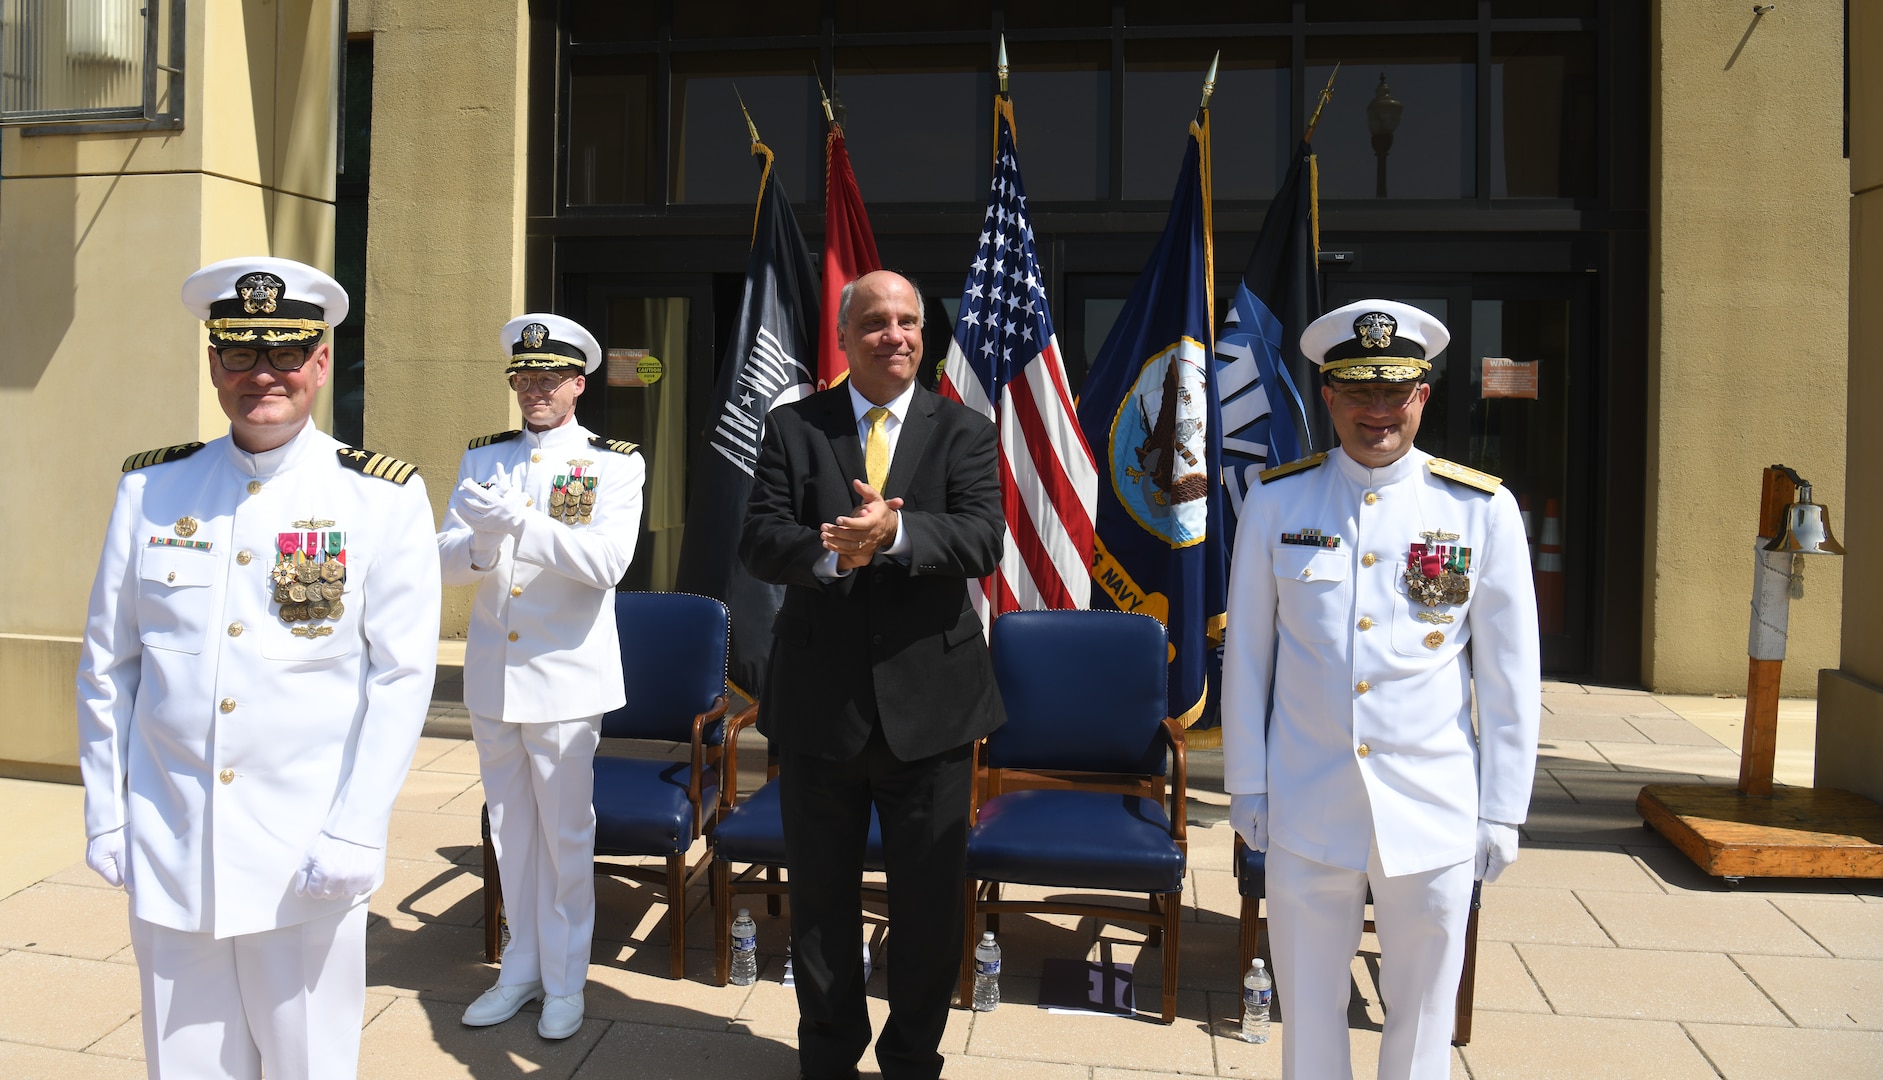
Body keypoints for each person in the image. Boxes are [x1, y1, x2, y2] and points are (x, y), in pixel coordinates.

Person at [77, 257, 441, 1079]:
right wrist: (107, 811)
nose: (261, 376)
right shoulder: (153, 489)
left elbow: (400, 677)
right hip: (174, 842)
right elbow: (110, 665)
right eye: (239, 354)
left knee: (306, 1065)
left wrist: (357, 826)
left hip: (305, 853)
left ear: (319, 363)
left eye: (284, 354)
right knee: (186, 1065)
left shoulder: (379, 497)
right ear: (212, 364)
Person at [1221, 299, 1540, 1080]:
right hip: (1307, 803)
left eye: (1394, 392)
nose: (1377, 412)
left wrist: (1501, 807)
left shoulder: (1479, 510)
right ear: (1327, 397)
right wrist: (1247, 787)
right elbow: (1249, 660)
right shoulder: (1277, 500)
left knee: (1424, 1014)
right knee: (1309, 1006)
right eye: (1357, 392)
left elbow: (1508, 676)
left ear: (1422, 396)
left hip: (1431, 809)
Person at [739, 270, 1004, 1080]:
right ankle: (826, 1056)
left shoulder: (964, 431)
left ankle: (911, 1059)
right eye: (877, 323)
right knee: (820, 902)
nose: (896, 335)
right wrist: (832, 547)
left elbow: (981, 538)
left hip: (932, 711)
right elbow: (758, 537)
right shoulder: (794, 428)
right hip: (821, 708)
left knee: (927, 905)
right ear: (846, 338)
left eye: (909, 322)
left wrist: (891, 536)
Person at [437, 313, 644, 1039]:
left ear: (578, 383)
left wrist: (520, 522)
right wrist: (485, 542)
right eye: (524, 378)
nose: (534, 390)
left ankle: (564, 981)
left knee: (563, 835)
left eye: (549, 379)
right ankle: (519, 971)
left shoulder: (614, 463)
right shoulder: (481, 457)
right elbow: (443, 560)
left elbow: (605, 564)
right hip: (496, 674)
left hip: (563, 677)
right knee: (509, 832)